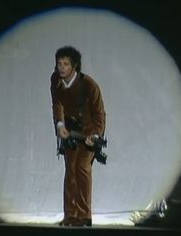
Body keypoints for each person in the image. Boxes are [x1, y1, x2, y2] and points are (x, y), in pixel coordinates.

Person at [50, 46, 106, 226]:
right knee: (70, 171)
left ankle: (84, 216)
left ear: (74, 66)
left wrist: (96, 135)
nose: (61, 68)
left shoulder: (89, 84)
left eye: (66, 64)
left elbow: (99, 113)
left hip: (89, 133)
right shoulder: (55, 81)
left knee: (82, 168)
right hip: (70, 132)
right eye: (59, 64)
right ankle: (70, 215)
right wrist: (60, 125)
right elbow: (57, 103)